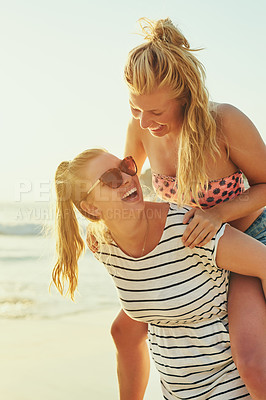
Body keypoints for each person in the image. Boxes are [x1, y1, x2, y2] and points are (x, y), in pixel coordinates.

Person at [91, 17, 266, 400]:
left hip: (246, 241)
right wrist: (100, 219)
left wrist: (219, 213)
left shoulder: (225, 122)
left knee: (253, 363)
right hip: (189, 248)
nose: (145, 122)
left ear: (185, 95)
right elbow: (124, 181)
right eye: (136, 109)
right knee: (123, 331)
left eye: (155, 111)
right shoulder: (140, 128)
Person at [52, 148, 266, 399]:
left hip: (232, 386)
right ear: (91, 207)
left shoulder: (188, 227)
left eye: (126, 166)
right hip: (176, 391)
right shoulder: (103, 245)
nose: (128, 178)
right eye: (111, 178)